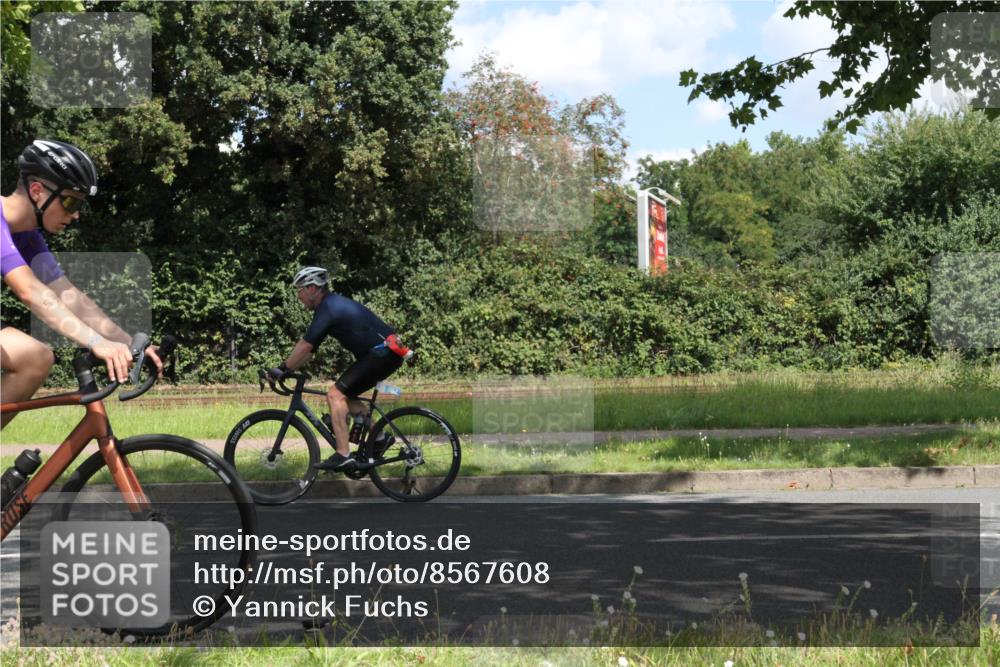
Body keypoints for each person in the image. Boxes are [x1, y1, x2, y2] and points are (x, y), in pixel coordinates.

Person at [1, 139, 162, 427]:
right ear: (37, 191)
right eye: (70, 201)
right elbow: (30, 291)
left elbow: (67, 294)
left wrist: (124, 341)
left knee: (35, 358)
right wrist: (96, 342)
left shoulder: (26, 235)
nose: (75, 214)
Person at [268, 266, 408, 471]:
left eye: (299, 290)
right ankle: (380, 437)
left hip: (381, 354)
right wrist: (286, 369)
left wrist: (281, 369)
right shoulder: (330, 305)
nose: (298, 295)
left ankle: (343, 454)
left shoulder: (329, 308)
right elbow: (310, 350)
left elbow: (305, 346)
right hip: (384, 354)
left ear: (313, 288)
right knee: (346, 395)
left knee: (335, 395)